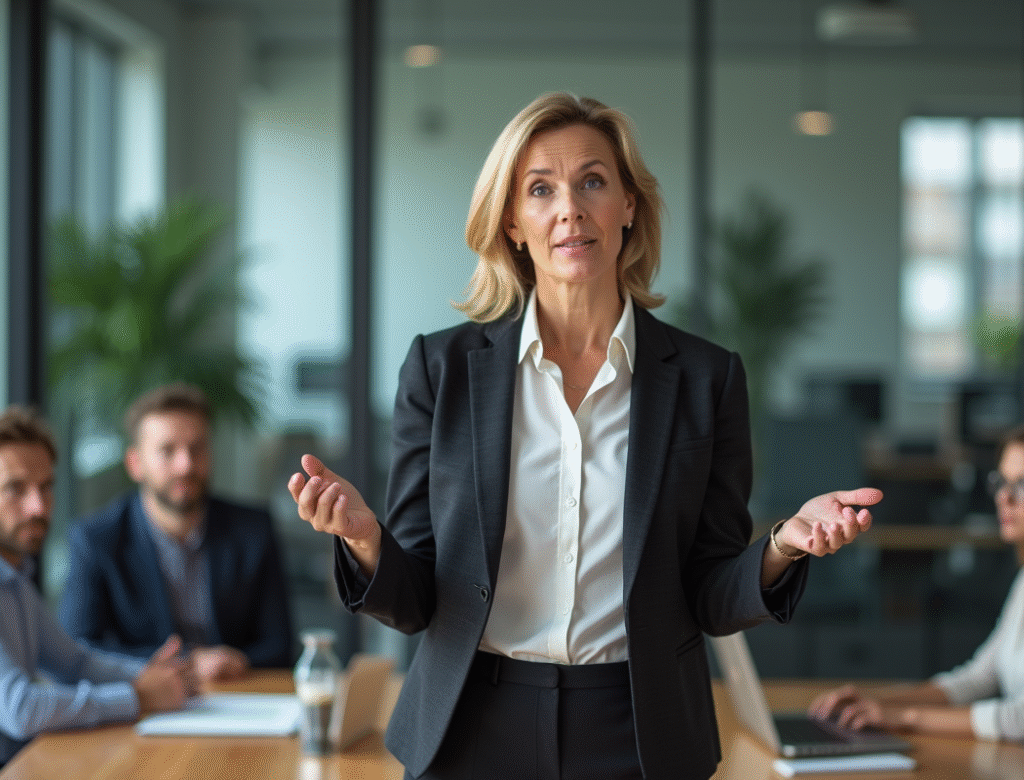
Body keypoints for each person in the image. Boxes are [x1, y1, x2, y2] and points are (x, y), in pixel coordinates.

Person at [289, 92, 881, 780]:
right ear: (512, 221)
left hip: (638, 730)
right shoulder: (441, 369)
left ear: (628, 204)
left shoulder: (705, 378)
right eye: (540, 189)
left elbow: (709, 595)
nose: (569, 207)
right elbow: (418, 599)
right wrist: (364, 540)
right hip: (469, 727)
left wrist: (783, 544)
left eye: (592, 181)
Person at [810, 419, 1024, 780]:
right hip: (1020, 764)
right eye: (1001, 482)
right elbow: (978, 678)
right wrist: (878, 702)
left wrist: (901, 717)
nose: (1004, 497)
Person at [59, 383, 294, 684]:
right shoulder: (96, 539)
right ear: (135, 463)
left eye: (197, 449)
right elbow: (77, 649)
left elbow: (280, 646)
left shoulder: (254, 530)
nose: (185, 465)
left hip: (238, 695)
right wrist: (188, 663)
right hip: (144, 704)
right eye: (167, 451)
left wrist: (235, 661)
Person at [0, 406, 193, 766]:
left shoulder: (15, 579)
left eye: (45, 487)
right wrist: (138, 696)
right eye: (15, 489)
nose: (38, 506)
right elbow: (21, 709)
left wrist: (155, 676)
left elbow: (73, 662)